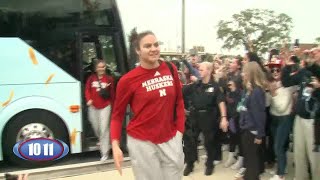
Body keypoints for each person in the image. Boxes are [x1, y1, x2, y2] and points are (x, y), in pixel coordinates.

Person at [110, 31, 185, 180]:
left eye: (156, 44)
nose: (153, 49)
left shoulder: (170, 69)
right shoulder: (127, 80)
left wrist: (179, 132)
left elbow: (179, 102)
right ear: (138, 50)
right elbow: (117, 116)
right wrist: (115, 145)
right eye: (147, 46)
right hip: (142, 142)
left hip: (171, 139)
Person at [182, 62, 228, 176]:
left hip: (209, 117)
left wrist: (223, 118)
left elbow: (221, 102)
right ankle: (190, 164)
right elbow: (181, 93)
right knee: (190, 141)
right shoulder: (196, 85)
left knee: (209, 142)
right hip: (194, 117)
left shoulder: (215, 86)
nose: (199, 71)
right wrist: (182, 108)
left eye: (202, 69)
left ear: (208, 71)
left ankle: (209, 164)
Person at [281, 49, 320, 180]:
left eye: (317, 52)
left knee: (315, 157)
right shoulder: (304, 72)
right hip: (300, 117)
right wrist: (287, 66)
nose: (313, 54)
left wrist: (318, 88)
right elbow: (286, 82)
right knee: (299, 153)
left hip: (314, 121)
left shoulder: (315, 71)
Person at [238, 61, 267, 180]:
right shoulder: (250, 90)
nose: (242, 74)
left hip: (252, 130)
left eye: (244, 72)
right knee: (249, 157)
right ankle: (248, 176)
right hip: (248, 127)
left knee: (252, 159)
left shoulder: (257, 92)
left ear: (250, 74)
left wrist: (260, 134)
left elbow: (259, 114)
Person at [267, 58, 295, 180]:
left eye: (277, 70)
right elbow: (268, 104)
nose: (275, 72)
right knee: (279, 146)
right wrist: (270, 91)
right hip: (274, 119)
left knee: (278, 146)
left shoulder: (288, 86)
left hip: (284, 118)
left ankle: (281, 174)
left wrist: (273, 93)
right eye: (272, 70)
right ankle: (282, 167)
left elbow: (281, 108)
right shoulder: (271, 84)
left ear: (282, 71)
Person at [85, 59, 115, 161]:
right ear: (96, 68)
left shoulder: (109, 79)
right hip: (93, 106)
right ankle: (101, 140)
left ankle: (104, 153)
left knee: (104, 129)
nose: (101, 69)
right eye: (99, 67)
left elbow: (112, 93)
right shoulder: (91, 79)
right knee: (96, 127)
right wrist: (89, 99)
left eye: (103, 67)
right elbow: (87, 90)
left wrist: (112, 103)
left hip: (105, 106)